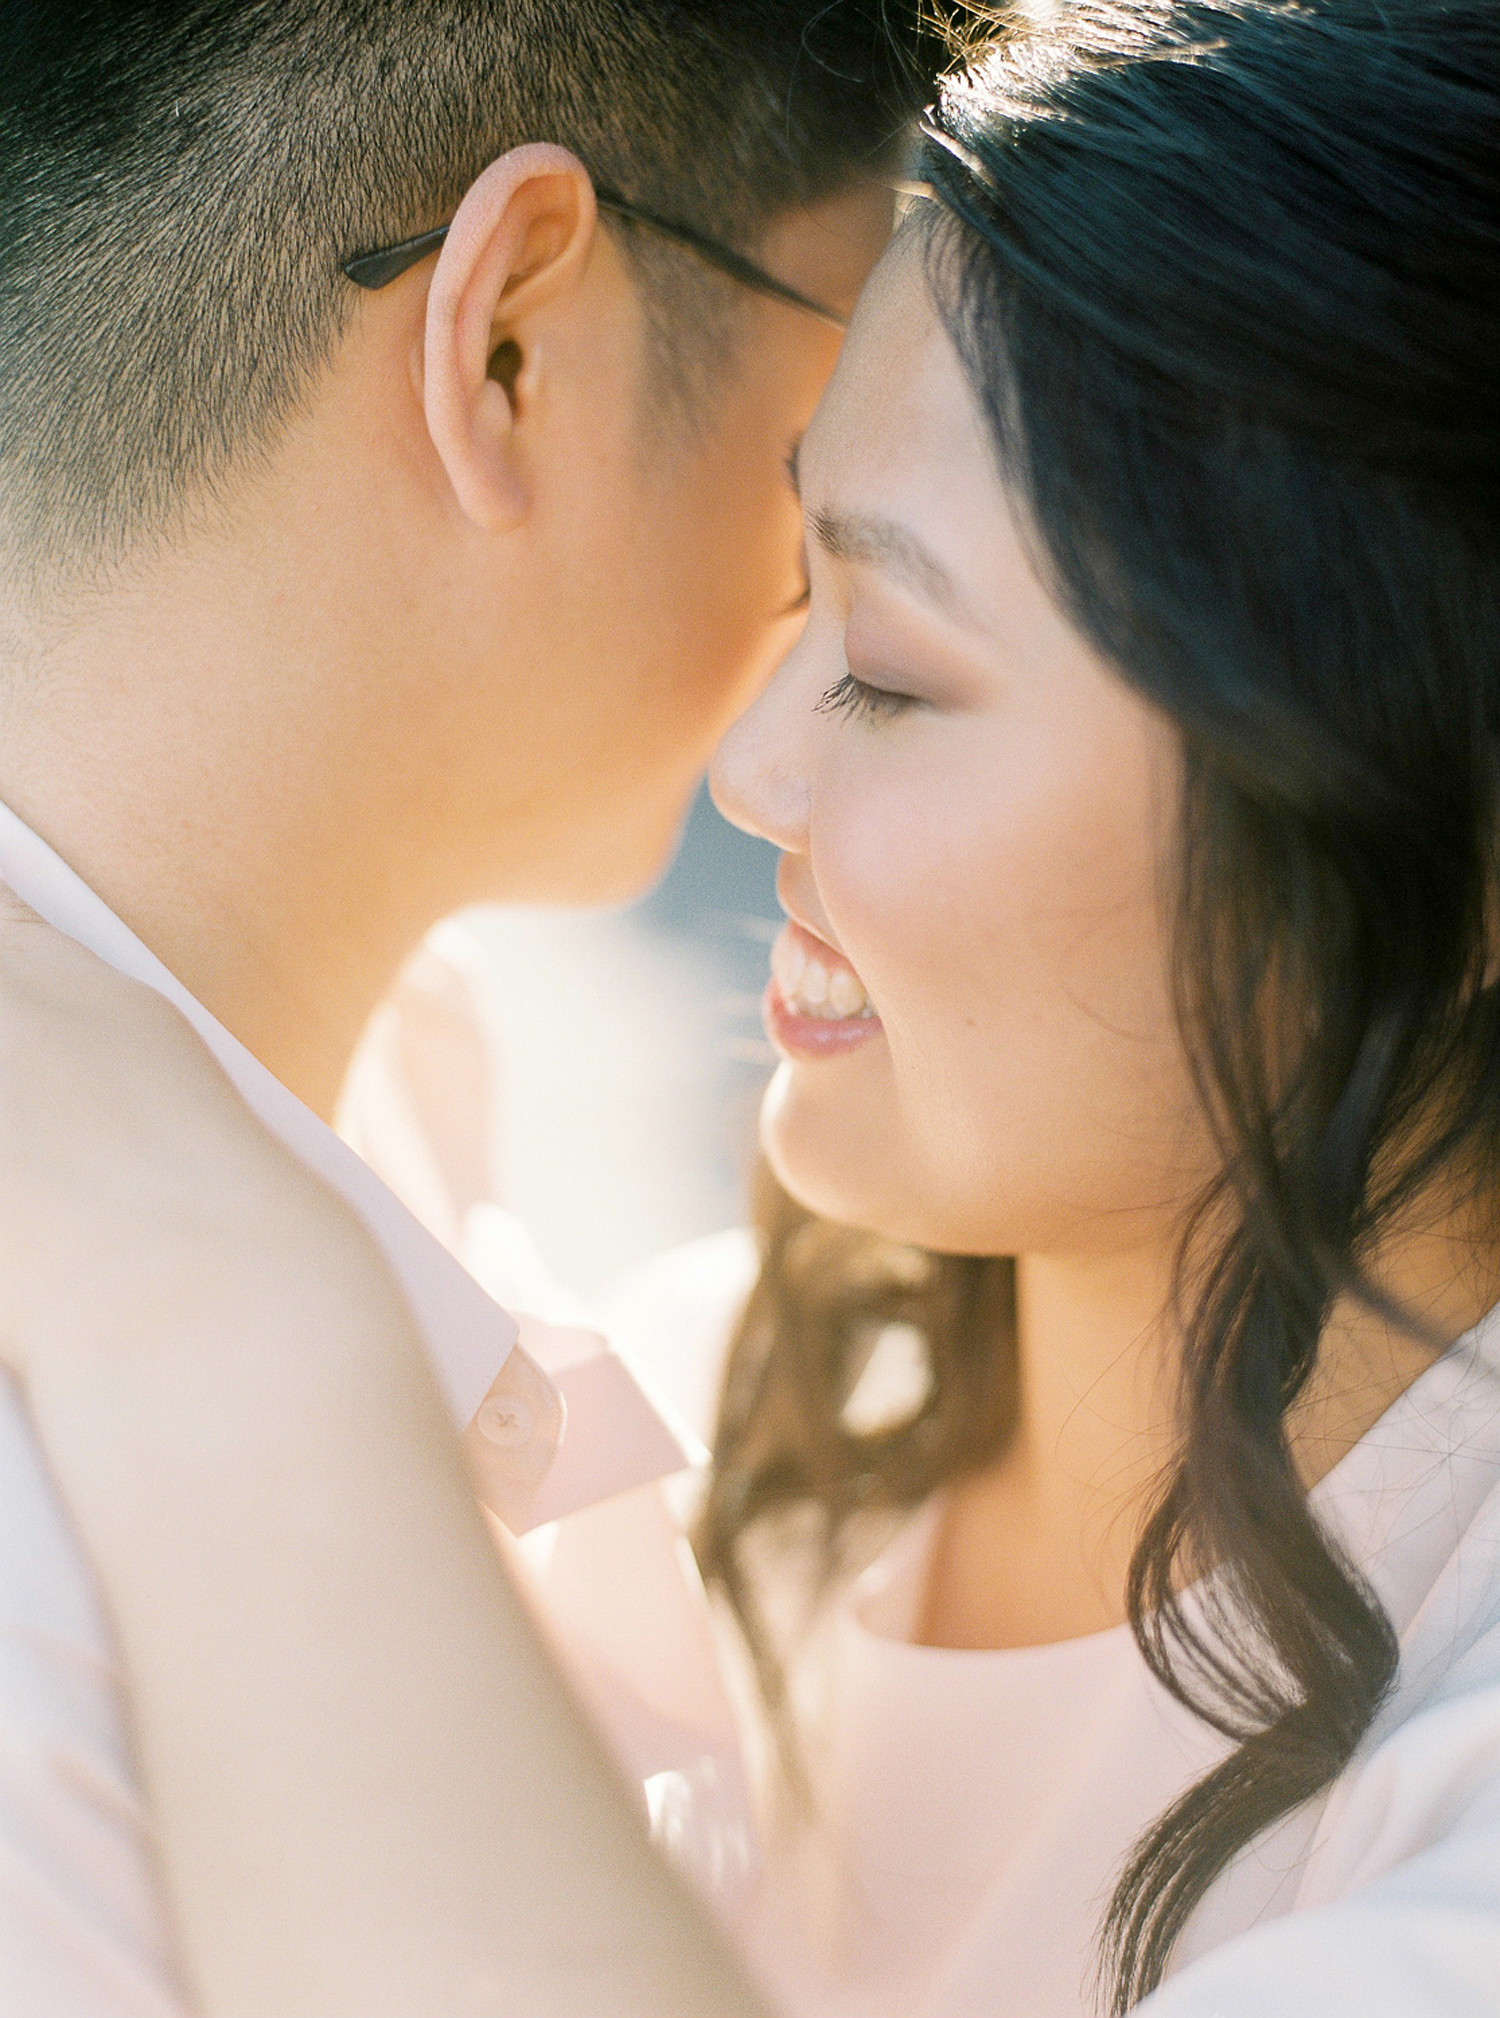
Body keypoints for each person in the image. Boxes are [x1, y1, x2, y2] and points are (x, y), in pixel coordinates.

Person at [5, 0, 1500, 2015]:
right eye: (797, 580)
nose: (751, 771)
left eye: (878, 655)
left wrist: (231, 1320)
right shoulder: (680, 1415)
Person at [0, 1, 945, 2010]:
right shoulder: (45, 1636)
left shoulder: (402, 1062)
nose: (859, 537)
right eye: (849, 374)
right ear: (510, 343)